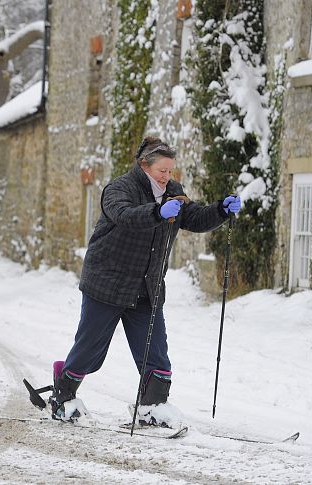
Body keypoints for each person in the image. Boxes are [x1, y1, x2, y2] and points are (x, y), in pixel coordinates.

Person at [49, 135, 241, 425]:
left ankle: (153, 408)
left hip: (145, 287)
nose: (167, 177)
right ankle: (62, 398)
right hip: (107, 281)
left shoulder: (173, 192)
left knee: (155, 351)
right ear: (144, 166)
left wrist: (220, 210)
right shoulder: (119, 188)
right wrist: (157, 212)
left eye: (170, 171)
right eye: (162, 171)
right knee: (90, 348)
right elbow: (124, 215)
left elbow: (196, 217)